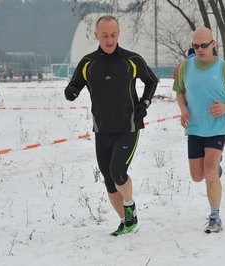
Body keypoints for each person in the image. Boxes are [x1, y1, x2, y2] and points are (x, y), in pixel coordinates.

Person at [64, 15, 158, 236]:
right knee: (108, 181)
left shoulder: (131, 60)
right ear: (96, 35)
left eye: (113, 35)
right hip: (102, 130)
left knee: (118, 172)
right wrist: (71, 92)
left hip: (128, 128)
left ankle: (129, 206)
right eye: (104, 35)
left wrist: (144, 103)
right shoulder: (88, 63)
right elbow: (74, 86)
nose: (109, 39)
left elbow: (151, 81)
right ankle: (126, 222)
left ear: (118, 34)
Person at [172, 27, 225, 233]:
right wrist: (183, 109)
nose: (200, 49)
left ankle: (215, 216)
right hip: (195, 128)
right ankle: (215, 166)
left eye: (204, 45)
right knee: (197, 176)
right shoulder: (186, 67)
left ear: (213, 44)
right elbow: (179, 91)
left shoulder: (224, 68)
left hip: (216, 127)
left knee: (210, 171)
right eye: (195, 46)